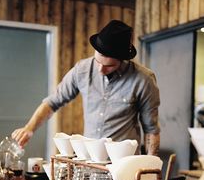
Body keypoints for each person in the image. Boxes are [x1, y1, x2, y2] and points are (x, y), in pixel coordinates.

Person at [12, 20, 160, 155]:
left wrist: (149, 167)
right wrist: (29, 128)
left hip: (123, 162)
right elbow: (52, 102)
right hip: (90, 160)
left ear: (122, 60)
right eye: (98, 62)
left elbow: (151, 130)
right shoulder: (82, 70)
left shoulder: (143, 79)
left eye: (109, 66)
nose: (100, 70)